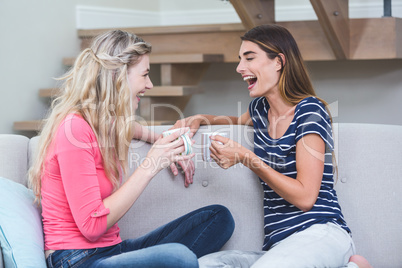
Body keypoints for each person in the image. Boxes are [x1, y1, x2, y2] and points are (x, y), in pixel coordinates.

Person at [28, 29, 235, 268]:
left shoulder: (103, 123)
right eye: (144, 75)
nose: (150, 84)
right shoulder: (73, 129)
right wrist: (151, 165)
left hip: (111, 251)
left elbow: (129, 127)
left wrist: (164, 141)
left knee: (219, 218)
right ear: (117, 76)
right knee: (179, 258)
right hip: (76, 259)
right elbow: (91, 226)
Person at [171, 24, 372, 268]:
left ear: (278, 61)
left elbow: (306, 197)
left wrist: (247, 157)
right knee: (204, 265)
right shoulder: (259, 110)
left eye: (249, 58)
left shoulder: (310, 112)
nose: (239, 68)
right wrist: (201, 118)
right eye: (240, 59)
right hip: (279, 246)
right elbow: (235, 121)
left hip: (320, 233)